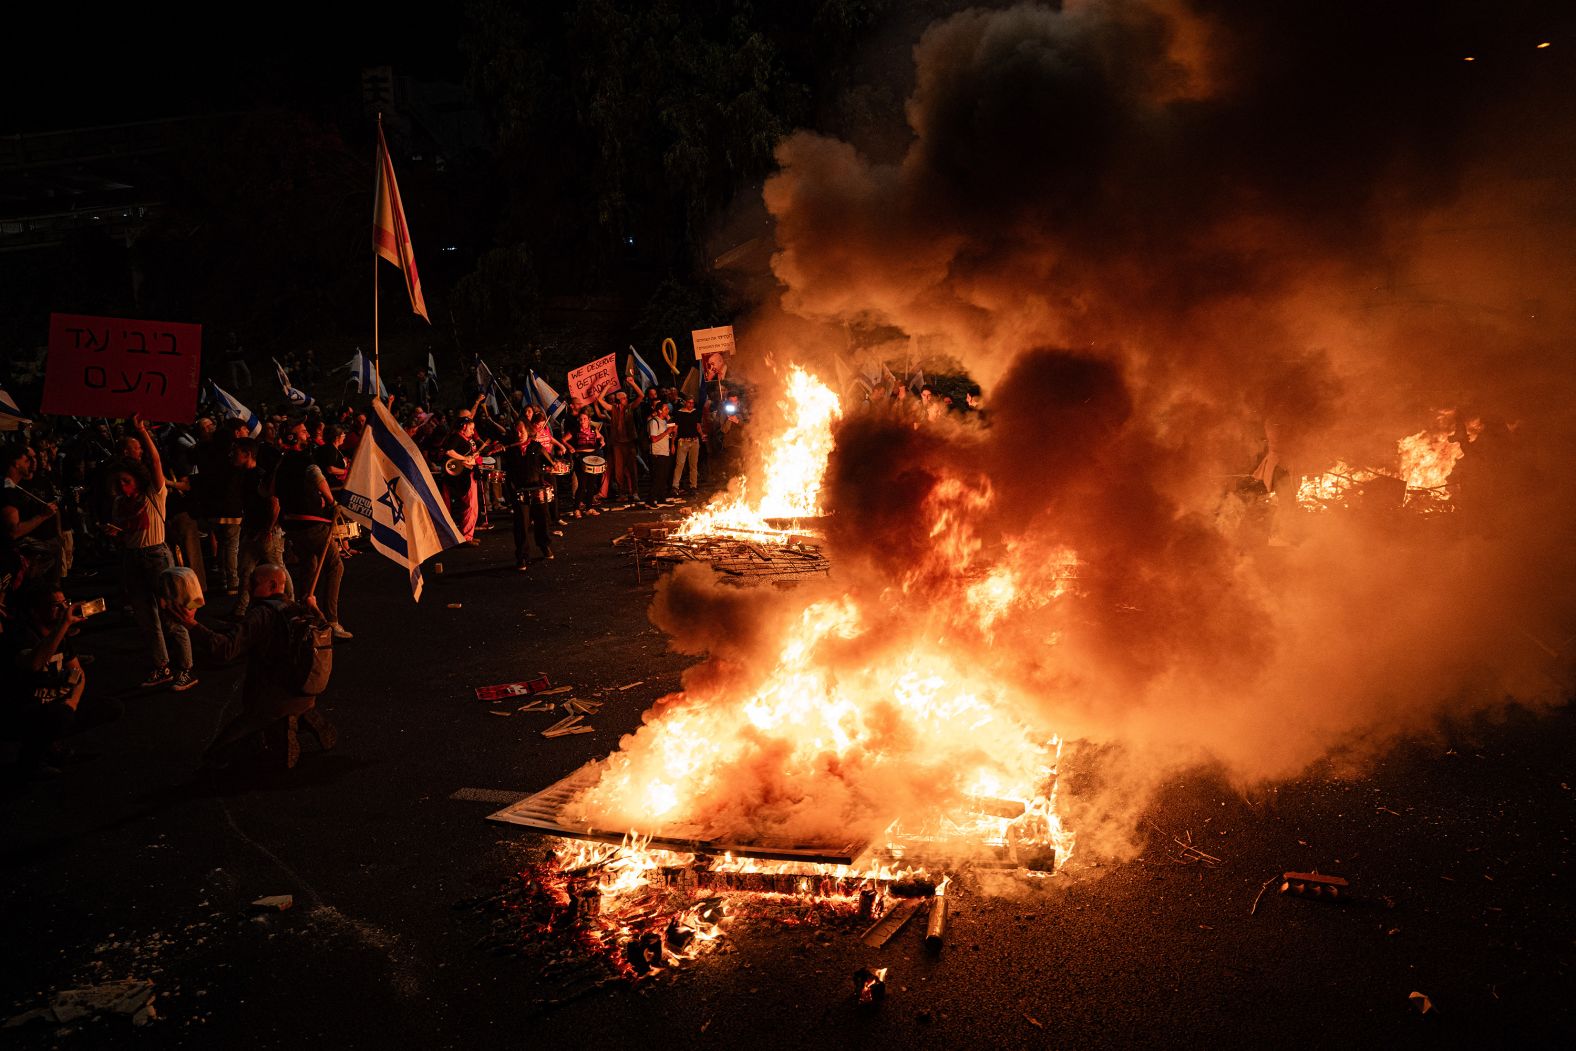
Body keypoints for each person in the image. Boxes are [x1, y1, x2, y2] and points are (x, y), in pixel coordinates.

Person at [172, 564, 337, 770]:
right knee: (284, 714)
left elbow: (225, 650)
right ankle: (304, 718)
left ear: (273, 585)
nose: (248, 588)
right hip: (305, 693)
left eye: (254, 583)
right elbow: (323, 629)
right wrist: (314, 607)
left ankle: (282, 735)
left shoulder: (261, 614)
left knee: (217, 754)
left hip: (271, 701)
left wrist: (193, 626)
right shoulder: (298, 609)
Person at [104, 415, 198, 691]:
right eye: (118, 482)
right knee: (147, 618)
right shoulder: (120, 503)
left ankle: (186, 669)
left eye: (126, 481)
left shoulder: (154, 495)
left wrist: (142, 431)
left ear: (137, 480)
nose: (122, 486)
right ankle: (162, 666)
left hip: (156, 556)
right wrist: (116, 533)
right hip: (132, 558)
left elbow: (155, 462)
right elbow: (127, 534)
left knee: (172, 616)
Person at [0, 583, 118, 781]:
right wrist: (64, 624)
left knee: (111, 707)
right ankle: (29, 763)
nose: (64, 610)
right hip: (21, 711)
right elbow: (34, 664)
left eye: (66, 603)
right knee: (57, 715)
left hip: (56, 704)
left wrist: (72, 701)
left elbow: (77, 671)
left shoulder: (59, 634)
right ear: (35, 612)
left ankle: (50, 744)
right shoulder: (21, 636)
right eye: (57, 605)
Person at [273, 421, 350, 639]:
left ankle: (307, 615)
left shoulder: (281, 463)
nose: (308, 435)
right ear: (292, 438)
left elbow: (268, 490)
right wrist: (332, 502)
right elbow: (318, 478)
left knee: (309, 564)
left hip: (293, 525)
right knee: (335, 565)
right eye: (303, 432)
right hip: (312, 523)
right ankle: (331, 620)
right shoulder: (304, 460)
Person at [1, 445, 62, 584]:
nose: (32, 462)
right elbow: (14, 532)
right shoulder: (7, 491)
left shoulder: (14, 487)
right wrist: (43, 516)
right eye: (26, 459)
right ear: (16, 463)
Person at [500, 420, 554, 568]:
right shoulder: (511, 451)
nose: (519, 434)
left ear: (528, 431)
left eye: (521, 431)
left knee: (542, 520)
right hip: (520, 491)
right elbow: (508, 474)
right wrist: (510, 495)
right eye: (516, 432)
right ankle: (522, 556)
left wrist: (551, 469)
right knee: (521, 525)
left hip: (537, 489)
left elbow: (551, 464)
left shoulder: (537, 447)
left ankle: (544, 546)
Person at [442, 411, 484, 544]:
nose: (473, 432)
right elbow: (448, 450)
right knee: (470, 506)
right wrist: (464, 458)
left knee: (472, 506)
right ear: (464, 427)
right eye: (471, 429)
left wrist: (475, 457)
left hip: (471, 473)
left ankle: (468, 534)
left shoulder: (468, 439)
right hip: (464, 476)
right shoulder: (456, 437)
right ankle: (466, 537)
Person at [566, 410, 605, 517]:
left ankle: (589, 508)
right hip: (580, 458)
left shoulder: (593, 429)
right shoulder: (575, 430)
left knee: (591, 484)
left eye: (584, 419)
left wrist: (602, 440)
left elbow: (601, 437)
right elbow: (563, 440)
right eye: (581, 419)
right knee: (582, 485)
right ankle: (576, 509)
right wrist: (570, 447)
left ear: (589, 420)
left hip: (592, 458)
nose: (582, 421)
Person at [605, 389, 640, 503]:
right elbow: (600, 400)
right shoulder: (614, 409)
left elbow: (641, 396)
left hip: (629, 443)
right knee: (618, 471)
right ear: (619, 400)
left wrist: (632, 384)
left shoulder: (630, 408)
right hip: (617, 444)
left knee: (633, 469)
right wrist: (607, 387)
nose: (626, 399)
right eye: (623, 398)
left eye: (625, 398)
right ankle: (622, 493)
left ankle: (634, 492)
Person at [671, 395, 704, 495]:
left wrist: (702, 435)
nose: (690, 404)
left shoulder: (695, 412)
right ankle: (675, 486)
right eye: (689, 402)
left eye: (692, 403)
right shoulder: (679, 413)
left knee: (693, 465)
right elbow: (675, 429)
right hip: (683, 441)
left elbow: (698, 426)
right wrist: (673, 443)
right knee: (679, 464)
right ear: (685, 402)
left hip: (694, 441)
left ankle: (693, 486)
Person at [646, 401, 676, 506]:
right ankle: (650, 500)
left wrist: (673, 433)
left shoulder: (664, 422)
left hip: (665, 452)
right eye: (666, 409)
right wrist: (667, 432)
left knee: (663, 477)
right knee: (657, 478)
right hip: (657, 453)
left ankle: (661, 498)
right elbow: (653, 439)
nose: (668, 410)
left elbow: (671, 435)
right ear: (659, 411)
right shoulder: (654, 422)